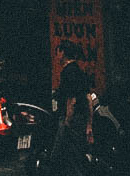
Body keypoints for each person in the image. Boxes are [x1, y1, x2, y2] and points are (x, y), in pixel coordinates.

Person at [49, 40, 94, 175]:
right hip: (80, 119)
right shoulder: (79, 71)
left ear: (62, 53)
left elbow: (72, 100)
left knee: (60, 157)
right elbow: (88, 99)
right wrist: (89, 124)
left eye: (57, 52)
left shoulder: (68, 72)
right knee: (75, 156)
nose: (56, 56)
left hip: (71, 119)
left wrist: (67, 121)